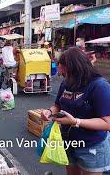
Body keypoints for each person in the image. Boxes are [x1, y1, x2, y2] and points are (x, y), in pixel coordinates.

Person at [41, 47, 110, 175]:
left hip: (91, 146)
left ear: (76, 68)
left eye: (65, 71)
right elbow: (57, 105)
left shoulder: (99, 86)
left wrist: (76, 122)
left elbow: (107, 123)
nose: (61, 74)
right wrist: (49, 111)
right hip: (69, 143)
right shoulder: (67, 83)